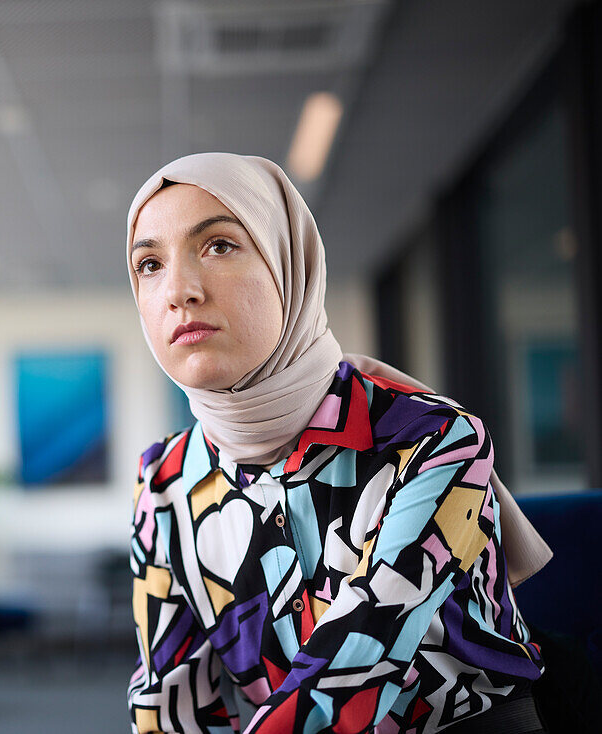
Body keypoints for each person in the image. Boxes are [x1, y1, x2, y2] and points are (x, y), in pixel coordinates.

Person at [125, 153, 553, 734]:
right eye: (149, 264)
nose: (179, 291)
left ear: (289, 264)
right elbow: (166, 701)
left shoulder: (432, 439)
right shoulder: (165, 478)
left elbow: (355, 666)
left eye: (219, 245)